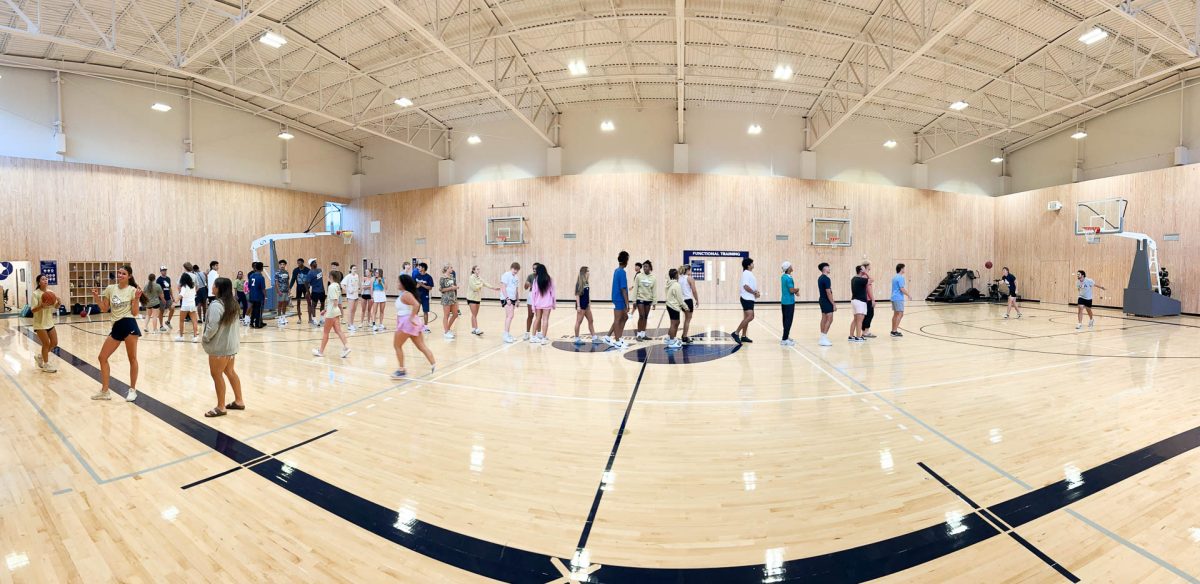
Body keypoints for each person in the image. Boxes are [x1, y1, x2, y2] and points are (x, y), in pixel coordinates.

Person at [89, 265, 142, 402]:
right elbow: (104, 308)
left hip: (129, 323)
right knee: (102, 357)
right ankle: (105, 391)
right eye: (119, 273)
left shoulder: (132, 290)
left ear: (129, 276)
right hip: (117, 326)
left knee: (132, 359)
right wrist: (96, 297)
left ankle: (132, 390)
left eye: (123, 273)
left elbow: (135, 313)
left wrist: (136, 299)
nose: (120, 275)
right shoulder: (110, 289)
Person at [201, 277, 244, 418]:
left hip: (220, 348)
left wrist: (205, 337)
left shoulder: (216, 305)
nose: (212, 287)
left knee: (217, 374)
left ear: (219, 288)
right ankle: (239, 401)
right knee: (230, 371)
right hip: (231, 346)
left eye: (214, 285)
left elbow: (212, 326)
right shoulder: (234, 303)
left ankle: (221, 407)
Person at [392, 274, 436, 378]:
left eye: (399, 282)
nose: (397, 283)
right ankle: (433, 364)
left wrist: (411, 317)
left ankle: (401, 370)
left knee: (397, 345)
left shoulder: (406, 295)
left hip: (406, 323)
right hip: (410, 323)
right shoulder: (405, 294)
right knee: (421, 346)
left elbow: (416, 304)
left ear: (403, 284)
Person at [313, 270, 350, 358]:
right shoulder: (337, 285)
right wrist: (325, 309)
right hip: (336, 311)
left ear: (331, 277)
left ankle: (321, 351)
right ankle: (346, 347)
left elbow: (335, 301)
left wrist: (328, 310)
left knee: (326, 332)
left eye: (329, 276)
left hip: (331, 313)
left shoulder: (331, 286)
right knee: (338, 331)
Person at [602, 252, 632, 349]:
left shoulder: (617, 270)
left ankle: (610, 336)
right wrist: (627, 303)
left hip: (618, 298)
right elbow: (623, 289)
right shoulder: (621, 272)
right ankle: (618, 340)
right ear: (626, 261)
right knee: (618, 319)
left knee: (624, 317)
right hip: (619, 299)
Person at [30, 274, 59, 372]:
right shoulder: (35, 294)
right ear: (39, 282)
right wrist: (41, 306)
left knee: (54, 343)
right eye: (43, 279)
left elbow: (56, 307)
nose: (45, 280)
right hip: (39, 323)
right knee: (46, 343)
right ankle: (46, 365)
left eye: (46, 279)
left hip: (49, 322)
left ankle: (40, 357)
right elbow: (33, 310)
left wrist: (58, 302)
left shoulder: (51, 293)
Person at [732, 257, 760, 344]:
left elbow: (750, 286)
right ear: (748, 265)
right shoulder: (746, 273)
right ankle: (736, 333)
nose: (753, 264)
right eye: (752, 263)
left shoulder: (749, 273)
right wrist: (754, 292)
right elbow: (745, 286)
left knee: (746, 317)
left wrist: (756, 292)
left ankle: (743, 336)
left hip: (749, 298)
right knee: (750, 317)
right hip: (746, 298)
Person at [528, 263, 556, 344]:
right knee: (545, 320)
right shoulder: (549, 279)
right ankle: (543, 338)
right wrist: (554, 303)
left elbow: (533, 294)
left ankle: (533, 337)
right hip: (547, 303)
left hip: (538, 303)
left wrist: (533, 305)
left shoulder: (536, 280)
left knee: (537, 319)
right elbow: (553, 292)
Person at [467, 265, 497, 336]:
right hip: (471, 298)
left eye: (479, 269)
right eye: (477, 269)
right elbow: (474, 287)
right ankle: (477, 329)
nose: (478, 271)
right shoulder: (471, 278)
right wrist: (481, 285)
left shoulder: (479, 278)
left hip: (477, 298)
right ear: (473, 270)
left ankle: (473, 329)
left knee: (475, 314)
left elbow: (485, 283)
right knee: (474, 314)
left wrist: (493, 288)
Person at [572, 266, 600, 345]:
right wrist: (578, 306)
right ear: (584, 273)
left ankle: (594, 338)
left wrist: (589, 302)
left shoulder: (587, 282)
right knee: (578, 322)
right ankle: (577, 339)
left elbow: (587, 294)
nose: (589, 272)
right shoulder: (579, 283)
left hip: (586, 305)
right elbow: (577, 295)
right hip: (581, 306)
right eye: (587, 271)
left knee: (591, 320)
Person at [664, 268, 690, 349]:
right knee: (674, 324)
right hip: (673, 306)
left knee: (674, 323)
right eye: (677, 274)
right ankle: (672, 342)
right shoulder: (676, 285)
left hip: (669, 305)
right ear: (676, 275)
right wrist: (686, 307)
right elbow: (680, 299)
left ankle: (669, 338)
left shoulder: (669, 283)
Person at [175, 272, 200, 342]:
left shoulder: (184, 287)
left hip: (185, 306)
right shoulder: (193, 286)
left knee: (181, 321)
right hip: (192, 305)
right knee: (194, 321)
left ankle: (181, 336)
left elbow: (181, 295)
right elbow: (194, 294)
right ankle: (195, 337)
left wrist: (175, 302)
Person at [634, 261, 656, 340]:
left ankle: (643, 334)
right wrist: (634, 301)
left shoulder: (653, 278)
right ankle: (638, 335)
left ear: (650, 267)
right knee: (641, 316)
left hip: (648, 300)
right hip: (640, 299)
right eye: (644, 267)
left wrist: (654, 302)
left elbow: (654, 290)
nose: (645, 268)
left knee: (646, 317)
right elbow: (635, 288)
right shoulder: (639, 276)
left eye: (646, 266)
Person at [500, 263, 521, 343]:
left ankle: (507, 334)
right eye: (514, 269)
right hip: (506, 298)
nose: (515, 271)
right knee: (510, 315)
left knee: (509, 316)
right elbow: (503, 287)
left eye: (517, 270)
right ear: (511, 268)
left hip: (513, 298)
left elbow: (516, 289)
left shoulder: (516, 277)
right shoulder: (506, 275)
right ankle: (505, 335)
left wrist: (517, 300)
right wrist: (507, 298)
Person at [678, 264, 699, 344]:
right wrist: (697, 300)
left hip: (681, 301)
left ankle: (684, 335)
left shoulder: (679, 278)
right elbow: (694, 291)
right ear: (688, 270)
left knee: (685, 319)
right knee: (687, 320)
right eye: (690, 270)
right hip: (688, 300)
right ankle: (684, 336)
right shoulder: (689, 278)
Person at [891, 263, 912, 337]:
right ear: (901, 269)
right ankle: (894, 331)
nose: (904, 270)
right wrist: (908, 295)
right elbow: (901, 288)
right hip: (898, 298)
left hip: (894, 297)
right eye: (904, 268)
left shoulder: (894, 277)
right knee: (900, 314)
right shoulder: (900, 277)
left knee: (895, 314)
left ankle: (893, 330)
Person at [439, 264, 460, 339]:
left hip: (453, 298)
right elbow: (441, 289)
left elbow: (454, 287)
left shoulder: (452, 277)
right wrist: (451, 288)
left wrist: (456, 287)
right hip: (446, 298)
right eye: (451, 267)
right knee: (446, 315)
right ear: (447, 269)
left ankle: (447, 329)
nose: (452, 269)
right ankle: (446, 331)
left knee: (455, 314)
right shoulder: (442, 278)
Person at [780, 261, 797, 346]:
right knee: (788, 321)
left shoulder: (783, 277)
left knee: (785, 320)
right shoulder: (788, 278)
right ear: (788, 268)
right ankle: (784, 339)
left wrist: (794, 291)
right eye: (791, 265)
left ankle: (786, 336)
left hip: (784, 301)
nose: (792, 266)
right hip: (789, 302)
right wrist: (797, 290)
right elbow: (791, 290)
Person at [818, 262, 835, 346]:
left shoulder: (820, 278)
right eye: (828, 267)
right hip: (826, 301)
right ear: (824, 268)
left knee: (824, 318)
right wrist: (833, 304)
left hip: (822, 300)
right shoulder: (826, 279)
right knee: (830, 319)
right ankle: (823, 338)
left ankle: (822, 338)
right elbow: (828, 293)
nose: (829, 268)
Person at [849, 265, 868, 342]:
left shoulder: (853, 279)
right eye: (864, 269)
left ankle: (851, 336)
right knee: (860, 320)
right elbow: (872, 279)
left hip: (854, 301)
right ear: (861, 271)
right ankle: (858, 337)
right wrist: (866, 273)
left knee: (855, 319)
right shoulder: (860, 279)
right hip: (860, 302)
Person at [523, 262, 541, 340]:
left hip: (540, 296)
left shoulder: (542, 276)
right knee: (530, 315)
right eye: (533, 268)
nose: (534, 269)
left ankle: (539, 333)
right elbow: (525, 287)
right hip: (531, 296)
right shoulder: (530, 276)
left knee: (539, 316)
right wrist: (526, 284)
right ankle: (527, 333)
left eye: (535, 268)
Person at [415, 263, 435, 332]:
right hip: (417, 296)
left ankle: (426, 327)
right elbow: (413, 286)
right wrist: (417, 286)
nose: (418, 268)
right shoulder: (416, 276)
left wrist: (422, 285)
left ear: (423, 268)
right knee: (416, 311)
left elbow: (430, 288)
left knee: (425, 311)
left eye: (419, 267)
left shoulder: (428, 277)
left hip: (425, 296)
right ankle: (416, 326)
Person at [860, 260, 877, 339]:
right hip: (868, 299)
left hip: (863, 299)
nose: (870, 267)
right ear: (866, 267)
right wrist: (873, 300)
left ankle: (864, 331)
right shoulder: (865, 277)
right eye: (869, 266)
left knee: (865, 315)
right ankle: (866, 332)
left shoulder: (861, 276)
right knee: (869, 315)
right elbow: (869, 289)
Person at [306, 259, 326, 326]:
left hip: (322, 291)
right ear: (311, 264)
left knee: (322, 304)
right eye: (314, 262)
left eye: (316, 262)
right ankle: (314, 319)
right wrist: (308, 292)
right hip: (315, 291)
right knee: (313, 305)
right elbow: (306, 283)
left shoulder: (319, 270)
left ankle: (322, 318)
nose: (316, 263)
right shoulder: (310, 273)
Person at [248, 262, 266, 328]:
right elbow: (263, 289)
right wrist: (265, 297)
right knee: (259, 310)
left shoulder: (251, 276)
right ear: (261, 268)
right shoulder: (261, 277)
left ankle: (251, 323)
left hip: (252, 296)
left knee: (253, 310)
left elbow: (249, 286)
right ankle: (258, 324)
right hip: (259, 297)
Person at [344, 265, 362, 332]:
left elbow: (357, 285)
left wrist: (359, 289)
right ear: (350, 269)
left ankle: (352, 323)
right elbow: (342, 284)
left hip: (356, 295)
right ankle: (349, 325)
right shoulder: (348, 276)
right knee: (350, 310)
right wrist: (347, 290)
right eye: (354, 268)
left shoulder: (357, 276)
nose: (355, 269)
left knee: (354, 310)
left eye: (356, 268)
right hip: (350, 296)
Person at [157, 266, 174, 331]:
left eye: (165, 270)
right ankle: (161, 326)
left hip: (168, 298)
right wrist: (162, 298)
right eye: (163, 270)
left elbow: (169, 288)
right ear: (160, 271)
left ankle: (168, 321)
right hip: (161, 299)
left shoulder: (168, 279)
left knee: (172, 309)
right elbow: (158, 290)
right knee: (161, 311)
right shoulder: (159, 280)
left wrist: (172, 297)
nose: (164, 271)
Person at [274, 259, 291, 326]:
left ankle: (283, 317)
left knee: (285, 304)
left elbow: (287, 282)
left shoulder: (286, 272)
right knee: (279, 304)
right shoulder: (277, 273)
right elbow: (276, 283)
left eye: (283, 264)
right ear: (279, 265)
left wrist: (289, 290)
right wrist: (278, 291)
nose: (282, 265)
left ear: (285, 265)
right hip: (280, 291)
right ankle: (279, 318)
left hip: (286, 291)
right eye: (281, 264)